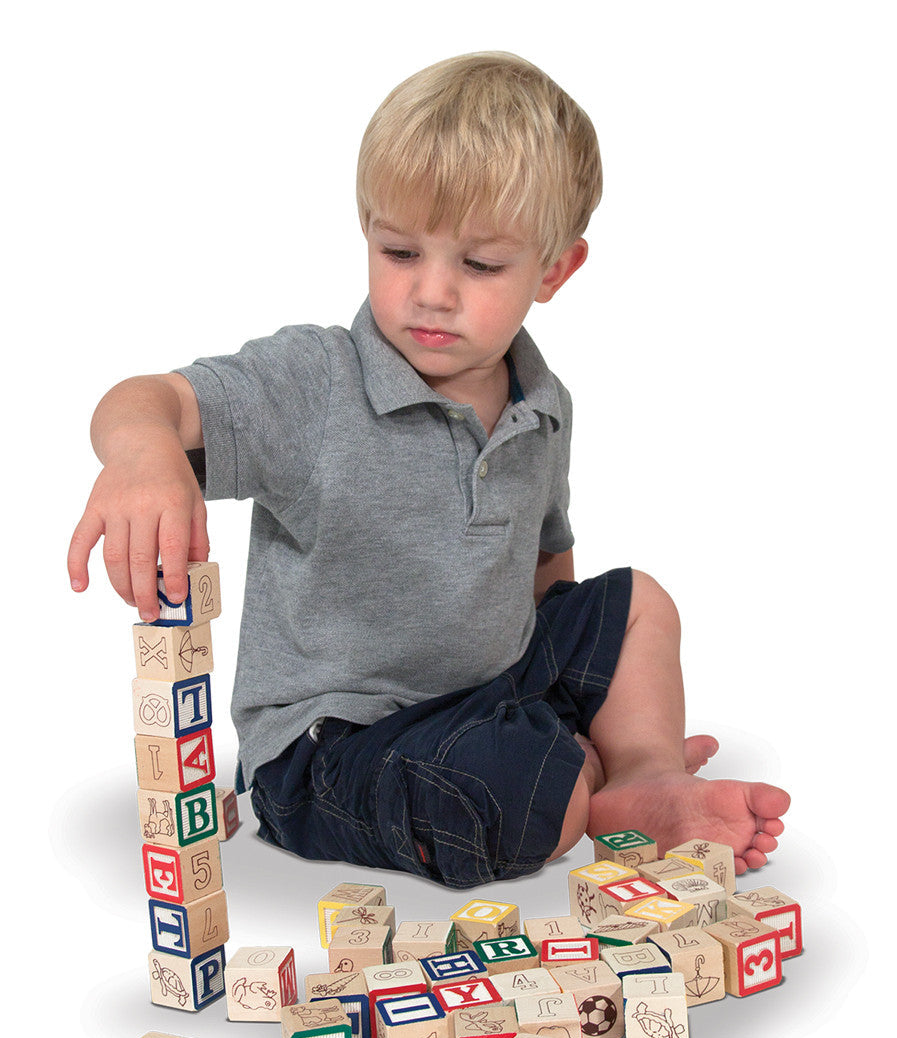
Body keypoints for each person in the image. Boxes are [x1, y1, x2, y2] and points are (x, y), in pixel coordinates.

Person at [67, 51, 789, 889]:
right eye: (401, 252)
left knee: (639, 604)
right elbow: (146, 399)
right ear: (366, 232)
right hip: (335, 744)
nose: (432, 293)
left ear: (554, 270)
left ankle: (641, 772)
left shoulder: (544, 402)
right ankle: (574, 785)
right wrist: (144, 452)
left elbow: (544, 564)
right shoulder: (314, 382)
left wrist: (564, 695)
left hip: (489, 691)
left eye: (479, 266)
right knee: (530, 798)